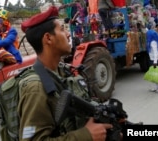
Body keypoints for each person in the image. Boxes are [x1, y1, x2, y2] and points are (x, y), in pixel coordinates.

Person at [18, 6, 113, 140]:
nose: (68, 34)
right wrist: (86, 135)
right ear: (48, 39)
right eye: (62, 29)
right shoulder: (36, 88)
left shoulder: (64, 71)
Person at [146, 26, 158, 93]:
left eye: (147, 34)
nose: (146, 35)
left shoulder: (153, 42)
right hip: (153, 59)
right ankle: (156, 87)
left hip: (155, 60)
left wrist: (155, 62)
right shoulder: (150, 41)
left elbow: (156, 52)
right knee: (154, 74)